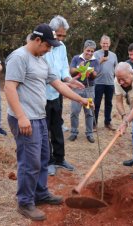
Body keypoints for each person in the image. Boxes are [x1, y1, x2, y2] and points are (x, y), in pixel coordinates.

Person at [4, 24, 91, 221]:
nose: (50, 49)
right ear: (36, 41)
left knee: (43, 157)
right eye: (47, 45)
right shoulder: (19, 57)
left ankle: (40, 193)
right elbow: (9, 88)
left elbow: (58, 83)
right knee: (29, 162)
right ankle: (25, 202)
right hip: (25, 119)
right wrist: (21, 117)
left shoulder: (42, 59)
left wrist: (80, 99)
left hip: (39, 117)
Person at [44, 15, 84, 176]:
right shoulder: (43, 46)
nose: (60, 39)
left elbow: (63, 69)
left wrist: (69, 80)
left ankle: (59, 158)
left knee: (57, 126)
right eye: (58, 35)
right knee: (44, 129)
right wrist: (64, 83)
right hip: (43, 94)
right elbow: (45, 73)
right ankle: (47, 161)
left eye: (63, 36)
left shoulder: (62, 47)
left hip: (57, 92)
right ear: (51, 31)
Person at [68, 40, 100, 143]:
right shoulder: (76, 58)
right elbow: (71, 71)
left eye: (92, 51)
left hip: (89, 89)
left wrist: (89, 72)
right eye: (88, 50)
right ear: (84, 49)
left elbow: (95, 74)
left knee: (89, 112)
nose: (90, 53)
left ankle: (89, 134)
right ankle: (73, 132)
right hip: (77, 88)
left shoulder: (95, 61)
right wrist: (80, 68)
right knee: (74, 111)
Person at [93, 35, 118, 130]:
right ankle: (94, 123)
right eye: (103, 43)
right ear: (100, 43)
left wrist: (117, 81)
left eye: (107, 43)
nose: (105, 45)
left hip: (110, 83)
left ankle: (107, 122)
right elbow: (92, 67)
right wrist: (101, 60)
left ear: (110, 44)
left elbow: (116, 69)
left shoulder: (114, 55)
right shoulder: (95, 54)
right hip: (98, 82)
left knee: (108, 103)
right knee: (97, 103)